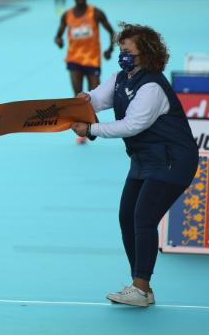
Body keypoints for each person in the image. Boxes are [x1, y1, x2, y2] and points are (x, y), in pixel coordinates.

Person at [70, 23, 199, 307]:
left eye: (128, 51)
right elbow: (97, 99)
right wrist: (80, 102)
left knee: (144, 218)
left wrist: (90, 129)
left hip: (172, 161)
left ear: (147, 53)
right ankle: (142, 287)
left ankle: (140, 287)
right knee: (126, 218)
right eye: (121, 49)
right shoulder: (120, 78)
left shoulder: (152, 86)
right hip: (144, 160)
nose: (122, 55)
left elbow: (132, 125)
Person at [55, 0, 115, 143]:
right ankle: (88, 131)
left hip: (92, 60)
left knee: (94, 96)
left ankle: (91, 127)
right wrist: (59, 41)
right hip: (74, 60)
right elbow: (58, 35)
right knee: (78, 99)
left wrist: (110, 49)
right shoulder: (67, 15)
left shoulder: (96, 13)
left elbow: (112, 32)